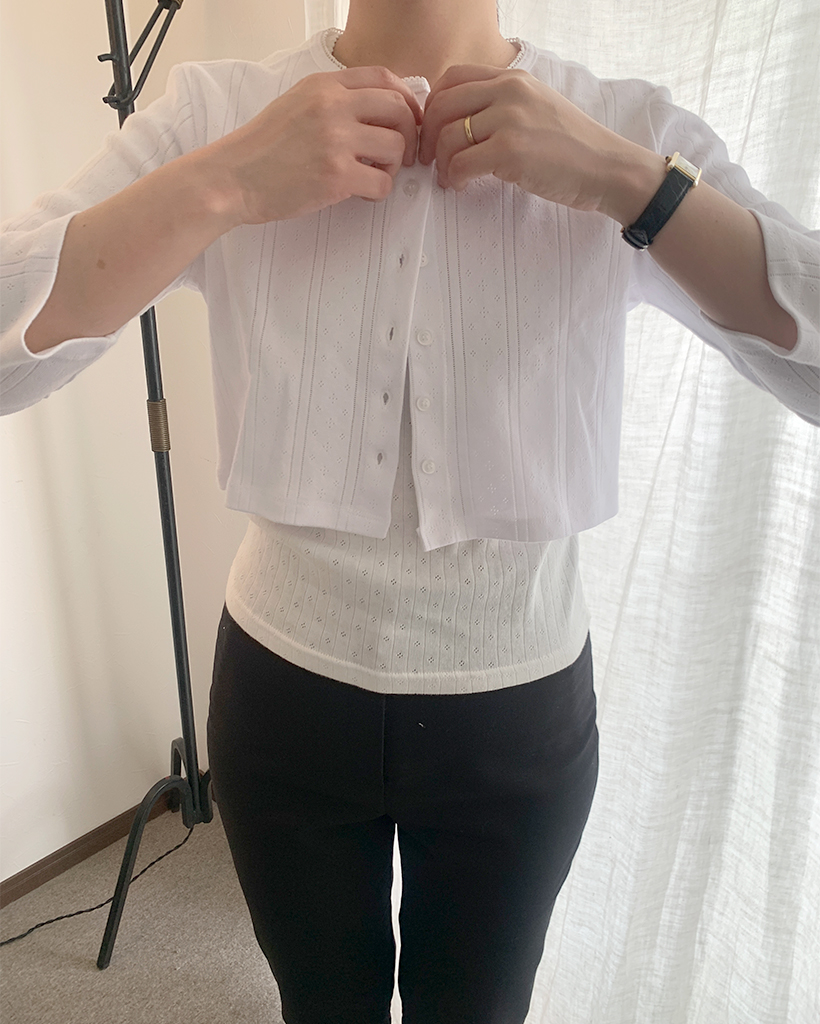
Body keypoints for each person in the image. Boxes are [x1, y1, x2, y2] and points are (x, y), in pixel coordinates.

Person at [1, 1, 818, 1022]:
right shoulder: (221, 113)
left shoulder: (625, 126)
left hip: (517, 715)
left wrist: (629, 183)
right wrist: (226, 181)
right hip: (281, 699)